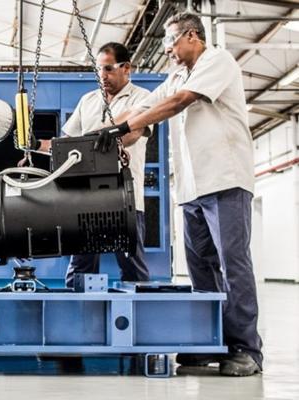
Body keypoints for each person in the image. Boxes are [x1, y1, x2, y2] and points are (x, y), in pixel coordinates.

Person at [87, 12, 262, 376]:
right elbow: (144, 108)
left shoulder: (217, 61)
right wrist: (103, 134)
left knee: (233, 264)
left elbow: (178, 102)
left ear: (192, 36)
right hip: (191, 187)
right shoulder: (177, 75)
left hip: (225, 178)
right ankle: (209, 341)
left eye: (170, 41)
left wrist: (123, 126)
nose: (166, 49)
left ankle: (245, 348)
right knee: (200, 269)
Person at [35, 42, 151, 287]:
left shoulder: (142, 98)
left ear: (126, 68)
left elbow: (134, 131)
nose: (102, 76)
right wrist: (35, 144)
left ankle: (139, 309)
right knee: (80, 270)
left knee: (133, 270)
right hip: (86, 200)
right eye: (98, 70)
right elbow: (66, 146)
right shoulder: (88, 100)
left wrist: (105, 141)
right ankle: (77, 310)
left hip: (125, 198)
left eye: (108, 69)